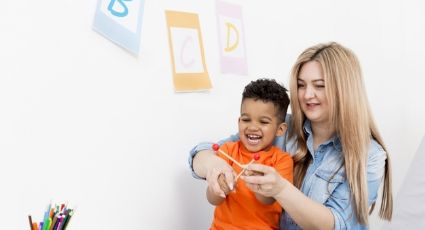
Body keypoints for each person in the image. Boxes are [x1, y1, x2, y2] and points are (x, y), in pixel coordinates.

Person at [189, 42, 393, 229]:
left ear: (345, 90)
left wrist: (280, 189)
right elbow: (200, 153)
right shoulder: (281, 127)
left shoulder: (370, 155)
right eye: (301, 85)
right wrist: (213, 166)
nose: (306, 94)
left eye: (319, 85)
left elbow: (337, 224)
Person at [207, 78, 293, 230]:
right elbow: (212, 199)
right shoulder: (227, 151)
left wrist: (258, 183)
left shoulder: (282, 160)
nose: (253, 127)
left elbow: (268, 200)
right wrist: (219, 188)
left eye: (263, 122)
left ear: (280, 129)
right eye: (246, 119)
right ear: (239, 121)